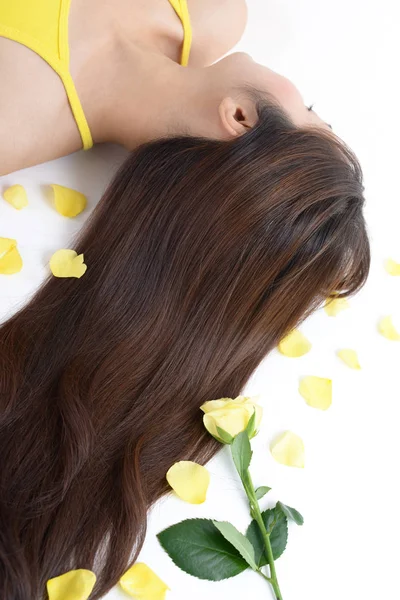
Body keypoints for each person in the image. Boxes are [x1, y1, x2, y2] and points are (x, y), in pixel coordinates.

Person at [0, 0, 331, 175]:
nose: (303, 95)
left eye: (309, 110)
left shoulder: (12, 121)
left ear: (240, 116)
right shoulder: (214, 13)